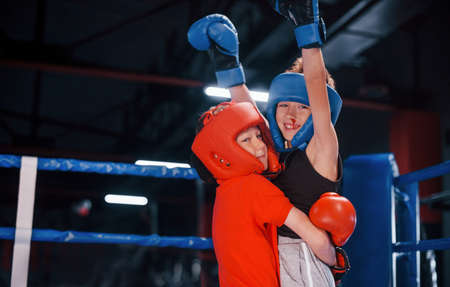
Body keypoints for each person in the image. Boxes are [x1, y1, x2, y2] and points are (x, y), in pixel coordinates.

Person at [187, 0, 356, 285]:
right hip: (270, 254)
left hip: (303, 255)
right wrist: (228, 64)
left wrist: (308, 35)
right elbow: (246, 115)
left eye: (302, 108)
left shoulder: (321, 151)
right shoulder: (275, 154)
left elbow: (316, 89)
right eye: (284, 105)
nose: (290, 115)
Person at [191, 101, 336, 286]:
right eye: (246, 140)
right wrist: (334, 260)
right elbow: (314, 237)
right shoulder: (252, 187)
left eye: (259, 136)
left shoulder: (225, 192)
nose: (260, 146)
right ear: (223, 153)